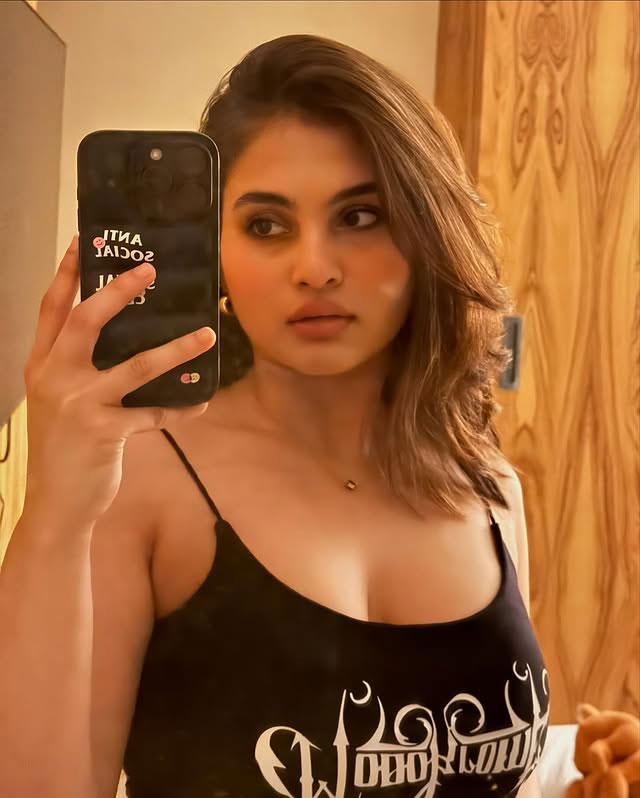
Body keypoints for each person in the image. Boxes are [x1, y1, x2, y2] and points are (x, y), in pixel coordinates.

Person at [0, 34, 550, 798]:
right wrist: (57, 511)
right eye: (266, 225)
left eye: (360, 215)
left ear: (426, 230)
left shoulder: (488, 484)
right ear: (215, 253)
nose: (314, 267)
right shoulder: (141, 480)